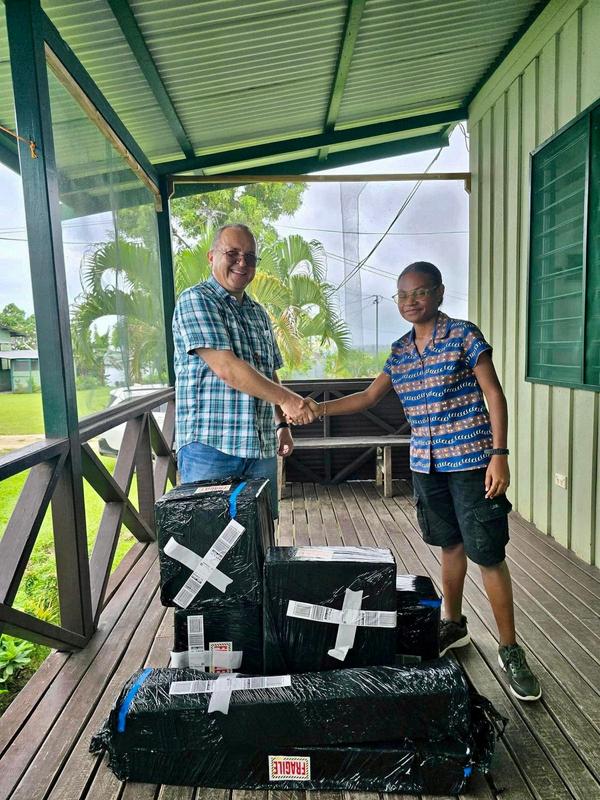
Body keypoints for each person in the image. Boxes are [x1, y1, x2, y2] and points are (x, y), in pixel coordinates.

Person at [306, 261, 541, 702]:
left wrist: (500, 455)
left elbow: (494, 394)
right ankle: (454, 624)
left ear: (439, 292)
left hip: (472, 462)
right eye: (403, 295)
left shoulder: (464, 336)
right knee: (450, 546)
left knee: (488, 554)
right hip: (426, 465)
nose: (411, 301)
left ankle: (510, 649)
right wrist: (319, 409)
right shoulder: (399, 351)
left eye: (420, 292)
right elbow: (368, 397)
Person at [172, 223, 316, 516]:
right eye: (232, 254)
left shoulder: (258, 313)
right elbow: (227, 368)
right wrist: (288, 399)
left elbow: (268, 372)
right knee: (209, 535)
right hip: (211, 449)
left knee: (261, 534)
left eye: (250, 257)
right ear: (211, 257)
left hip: (260, 449)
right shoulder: (196, 299)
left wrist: (282, 426)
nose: (242, 262)